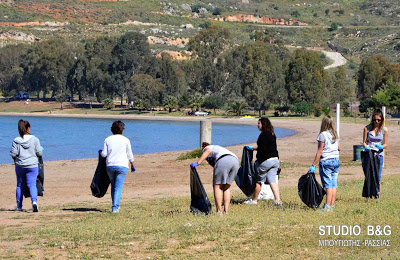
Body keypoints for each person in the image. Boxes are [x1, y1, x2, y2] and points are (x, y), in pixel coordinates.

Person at [190, 142, 239, 214]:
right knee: (226, 187)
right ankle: (226, 211)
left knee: (217, 186)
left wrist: (198, 162)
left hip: (223, 160)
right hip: (235, 161)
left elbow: (208, 151)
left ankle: (219, 211)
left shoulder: (207, 148)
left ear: (203, 146)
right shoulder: (218, 148)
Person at [244, 117, 281, 206]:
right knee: (272, 180)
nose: (257, 125)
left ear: (264, 124)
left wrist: (258, 161)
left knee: (258, 181)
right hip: (275, 160)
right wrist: (253, 148)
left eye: (259, 123)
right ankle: (277, 200)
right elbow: (267, 147)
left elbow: (263, 149)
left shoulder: (263, 135)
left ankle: (254, 200)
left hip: (266, 160)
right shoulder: (272, 134)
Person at [100, 120, 135, 213]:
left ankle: (114, 205)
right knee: (118, 187)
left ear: (112, 130)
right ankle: (115, 207)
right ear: (122, 130)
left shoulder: (107, 139)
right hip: (122, 166)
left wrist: (100, 152)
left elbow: (104, 154)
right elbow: (129, 154)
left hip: (110, 166)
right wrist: (132, 164)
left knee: (113, 186)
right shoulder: (126, 140)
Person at [309, 116, 341, 212]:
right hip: (336, 160)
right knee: (333, 183)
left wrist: (313, 165)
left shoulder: (323, 135)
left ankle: (327, 206)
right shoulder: (335, 134)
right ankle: (332, 205)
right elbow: (339, 148)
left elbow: (320, 151)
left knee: (327, 185)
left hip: (326, 161)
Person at [10, 119, 43, 212]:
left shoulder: (16, 141)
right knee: (32, 185)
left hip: (20, 165)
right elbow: (39, 153)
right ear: (28, 129)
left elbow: (13, 154)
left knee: (20, 185)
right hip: (32, 165)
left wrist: (16, 160)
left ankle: (19, 206)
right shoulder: (35, 139)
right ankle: (34, 202)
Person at [362, 109, 388, 194]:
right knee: (369, 176)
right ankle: (369, 194)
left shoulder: (385, 130)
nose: (376, 122)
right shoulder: (367, 128)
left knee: (378, 177)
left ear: (382, 120)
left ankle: (377, 194)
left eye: (378, 120)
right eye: (375, 119)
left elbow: (385, 144)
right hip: (369, 155)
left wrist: (381, 146)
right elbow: (364, 142)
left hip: (379, 155)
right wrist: (367, 147)